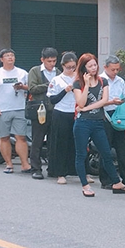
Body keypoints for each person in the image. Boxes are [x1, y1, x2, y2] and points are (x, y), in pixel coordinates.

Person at [72, 53, 120, 198]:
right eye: (90, 66)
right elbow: (80, 102)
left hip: (98, 121)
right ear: (83, 68)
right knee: (81, 154)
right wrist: (86, 85)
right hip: (82, 123)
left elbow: (104, 100)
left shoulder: (102, 81)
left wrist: (86, 108)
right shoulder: (77, 83)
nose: (93, 68)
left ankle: (116, 182)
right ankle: (85, 185)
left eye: (95, 65)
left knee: (106, 152)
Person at [0, 48, 31, 174]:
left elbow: (30, 87)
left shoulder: (22, 73)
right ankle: (9, 164)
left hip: (19, 108)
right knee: (4, 137)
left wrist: (22, 87)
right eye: (7, 56)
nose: (10, 58)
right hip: (2, 110)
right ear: (2, 59)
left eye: (12, 55)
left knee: (21, 137)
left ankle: (25, 164)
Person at [99, 55, 125, 194]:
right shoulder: (99, 80)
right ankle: (106, 180)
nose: (115, 72)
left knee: (123, 149)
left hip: (119, 115)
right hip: (104, 115)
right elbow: (96, 101)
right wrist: (111, 101)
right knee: (105, 149)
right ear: (105, 67)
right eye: (113, 69)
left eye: (117, 69)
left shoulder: (120, 81)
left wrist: (121, 101)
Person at [46, 52, 78, 185]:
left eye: (73, 67)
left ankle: (78, 170)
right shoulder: (57, 80)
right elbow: (52, 99)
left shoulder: (79, 78)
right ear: (63, 66)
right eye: (68, 67)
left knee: (77, 143)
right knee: (61, 143)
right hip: (61, 112)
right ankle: (60, 172)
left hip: (75, 112)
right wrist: (65, 90)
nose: (71, 70)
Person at [26, 47, 58, 180]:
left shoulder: (59, 72)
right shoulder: (35, 71)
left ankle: (52, 168)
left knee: (53, 141)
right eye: (49, 61)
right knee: (37, 140)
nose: (52, 64)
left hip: (55, 110)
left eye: (54, 61)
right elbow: (32, 88)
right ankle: (36, 168)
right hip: (40, 110)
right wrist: (49, 85)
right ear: (42, 60)